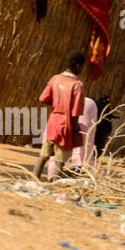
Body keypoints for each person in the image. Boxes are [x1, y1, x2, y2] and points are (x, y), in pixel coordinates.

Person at [33, 50, 87, 181]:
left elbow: (43, 98)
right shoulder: (77, 85)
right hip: (65, 126)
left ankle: (34, 180)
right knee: (60, 160)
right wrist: (76, 129)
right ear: (78, 66)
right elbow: (75, 112)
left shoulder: (55, 79)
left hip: (53, 123)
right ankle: (53, 185)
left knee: (43, 156)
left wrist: (57, 104)